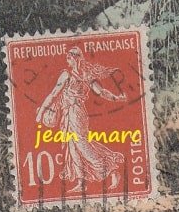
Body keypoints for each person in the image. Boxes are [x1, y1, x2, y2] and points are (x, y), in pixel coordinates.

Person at [36, 47, 127, 192]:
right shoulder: (71, 75)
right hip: (67, 113)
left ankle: (110, 170)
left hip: (76, 113)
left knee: (81, 143)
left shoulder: (84, 75)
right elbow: (54, 94)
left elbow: (101, 92)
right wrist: (41, 111)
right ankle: (81, 181)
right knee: (72, 146)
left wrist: (116, 98)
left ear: (76, 58)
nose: (68, 60)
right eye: (67, 58)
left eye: (70, 58)